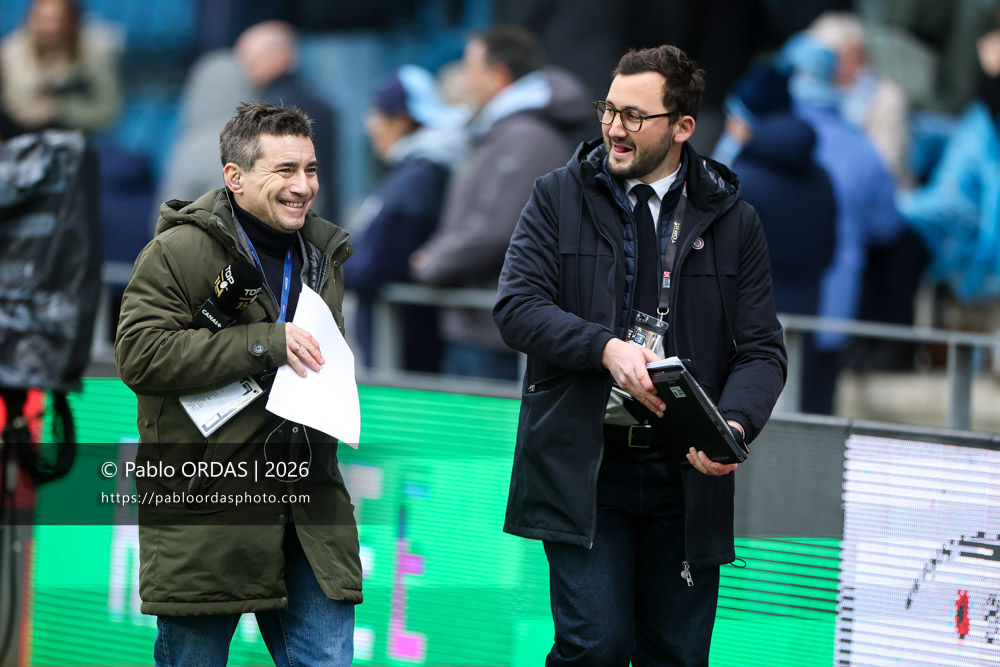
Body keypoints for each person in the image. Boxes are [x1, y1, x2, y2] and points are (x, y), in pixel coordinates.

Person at [494, 45, 787, 665]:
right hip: (585, 470)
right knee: (595, 648)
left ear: (683, 128)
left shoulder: (736, 220)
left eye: (634, 116)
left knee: (677, 657)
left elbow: (761, 351)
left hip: (685, 474)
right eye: (609, 110)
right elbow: (516, 308)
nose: (613, 128)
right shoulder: (555, 196)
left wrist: (731, 427)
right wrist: (603, 348)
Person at [114, 103, 361, 666]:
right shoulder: (175, 253)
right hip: (208, 501)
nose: (304, 186)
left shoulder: (324, 253)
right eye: (286, 171)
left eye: (312, 170)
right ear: (235, 177)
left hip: (308, 500)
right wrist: (265, 342)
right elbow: (140, 357)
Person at [410, 26, 590, 381]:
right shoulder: (503, 132)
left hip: (495, 335)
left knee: (480, 435)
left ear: (498, 76)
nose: (464, 79)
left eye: (470, 68)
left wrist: (432, 261)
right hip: (481, 325)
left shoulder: (526, 137)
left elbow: (496, 228)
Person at [715, 63, 837, 410]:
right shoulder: (822, 178)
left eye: (734, 117)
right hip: (807, 315)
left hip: (745, 326)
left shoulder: (739, 180)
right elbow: (829, 251)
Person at [344, 65, 466, 372]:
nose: (370, 126)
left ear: (401, 121)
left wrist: (333, 263)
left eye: (377, 116)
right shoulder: (412, 173)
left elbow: (380, 264)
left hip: (406, 345)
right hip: (398, 340)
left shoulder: (417, 180)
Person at [235, 20, 339, 222]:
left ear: (278, 57)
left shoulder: (266, 110)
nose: (246, 71)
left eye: (251, 61)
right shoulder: (323, 104)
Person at [0, 0, 120, 133]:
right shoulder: (11, 51)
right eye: (40, 19)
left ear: (72, 22)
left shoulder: (94, 55)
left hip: (69, 137)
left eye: (55, 20)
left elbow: (108, 112)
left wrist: (59, 109)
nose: (47, 27)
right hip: (16, 134)